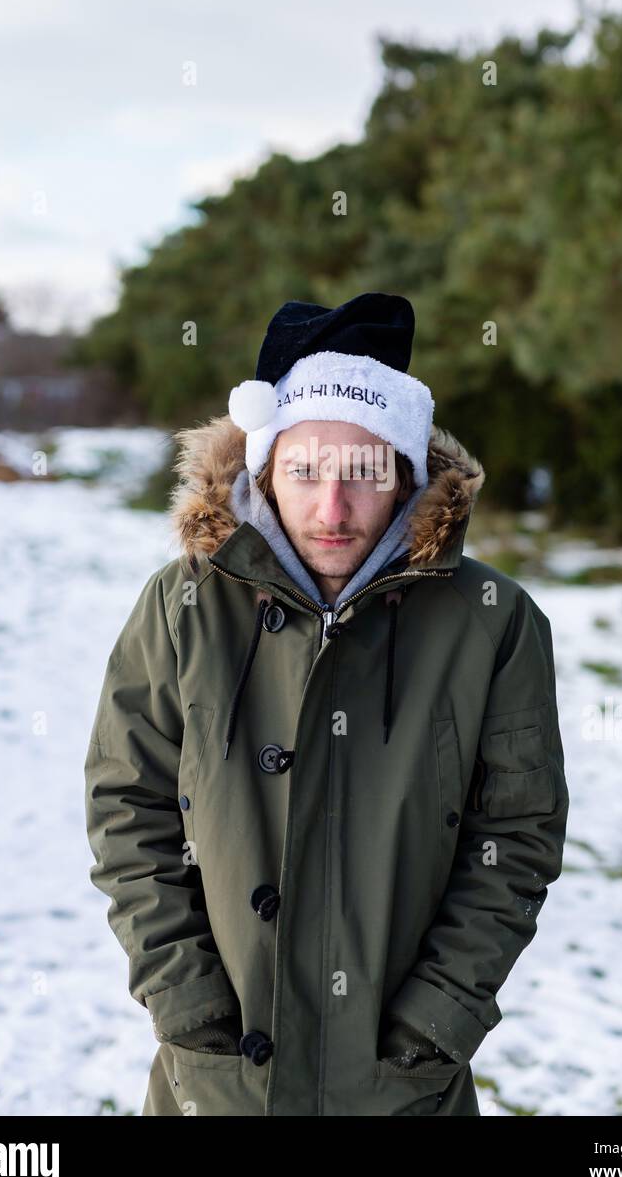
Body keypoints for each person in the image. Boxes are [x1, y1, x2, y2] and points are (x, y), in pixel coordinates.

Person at [84, 291, 570, 1117]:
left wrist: (436, 1022)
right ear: (267, 467)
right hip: (218, 1078)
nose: (331, 509)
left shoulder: (495, 623)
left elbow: (517, 837)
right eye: (305, 471)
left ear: (408, 476)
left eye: (364, 474)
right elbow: (127, 807)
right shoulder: (182, 608)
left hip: (402, 1085)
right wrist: (188, 1005)